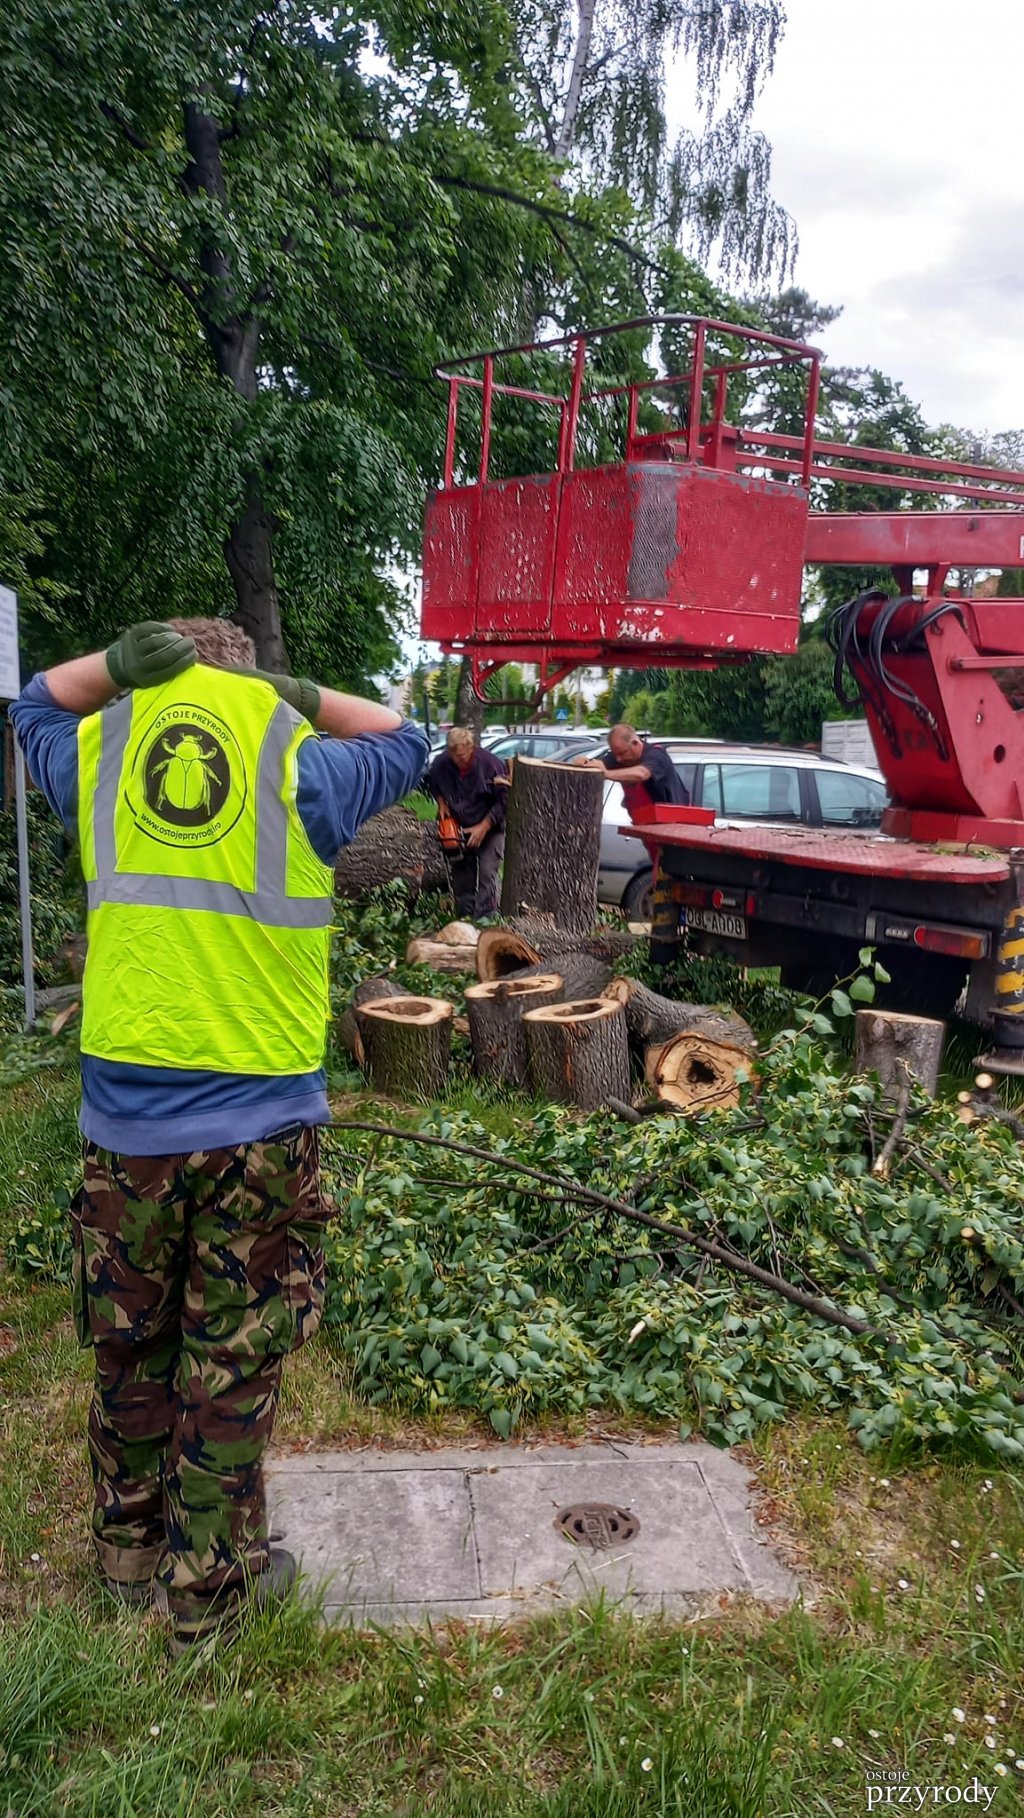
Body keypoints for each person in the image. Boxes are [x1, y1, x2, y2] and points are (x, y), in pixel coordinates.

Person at [10, 618, 428, 1653]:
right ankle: (207, 1598)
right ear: (255, 679)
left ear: (152, 671)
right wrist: (295, 695)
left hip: (129, 1120)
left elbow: (27, 701)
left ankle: (126, 1554)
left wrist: (109, 670)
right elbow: (408, 736)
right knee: (229, 1361)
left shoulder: (101, 754)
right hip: (262, 1124)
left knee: (130, 1341)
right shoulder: (300, 757)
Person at [425, 726, 509, 918]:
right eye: (455, 757)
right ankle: (464, 919)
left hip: (490, 826)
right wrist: (441, 802)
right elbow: (432, 782)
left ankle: (484, 921)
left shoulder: (491, 764)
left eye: (463, 756)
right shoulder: (441, 764)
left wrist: (484, 826)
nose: (459, 760)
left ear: (471, 748)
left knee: (487, 873)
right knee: (463, 878)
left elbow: (504, 800)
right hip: (459, 827)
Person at [574, 723, 690, 822]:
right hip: (646, 824)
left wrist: (606, 774)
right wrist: (586, 763)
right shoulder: (620, 756)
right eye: (616, 754)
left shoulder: (656, 756)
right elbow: (599, 765)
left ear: (635, 743)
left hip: (674, 824)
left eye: (623, 753)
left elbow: (642, 773)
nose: (618, 759)